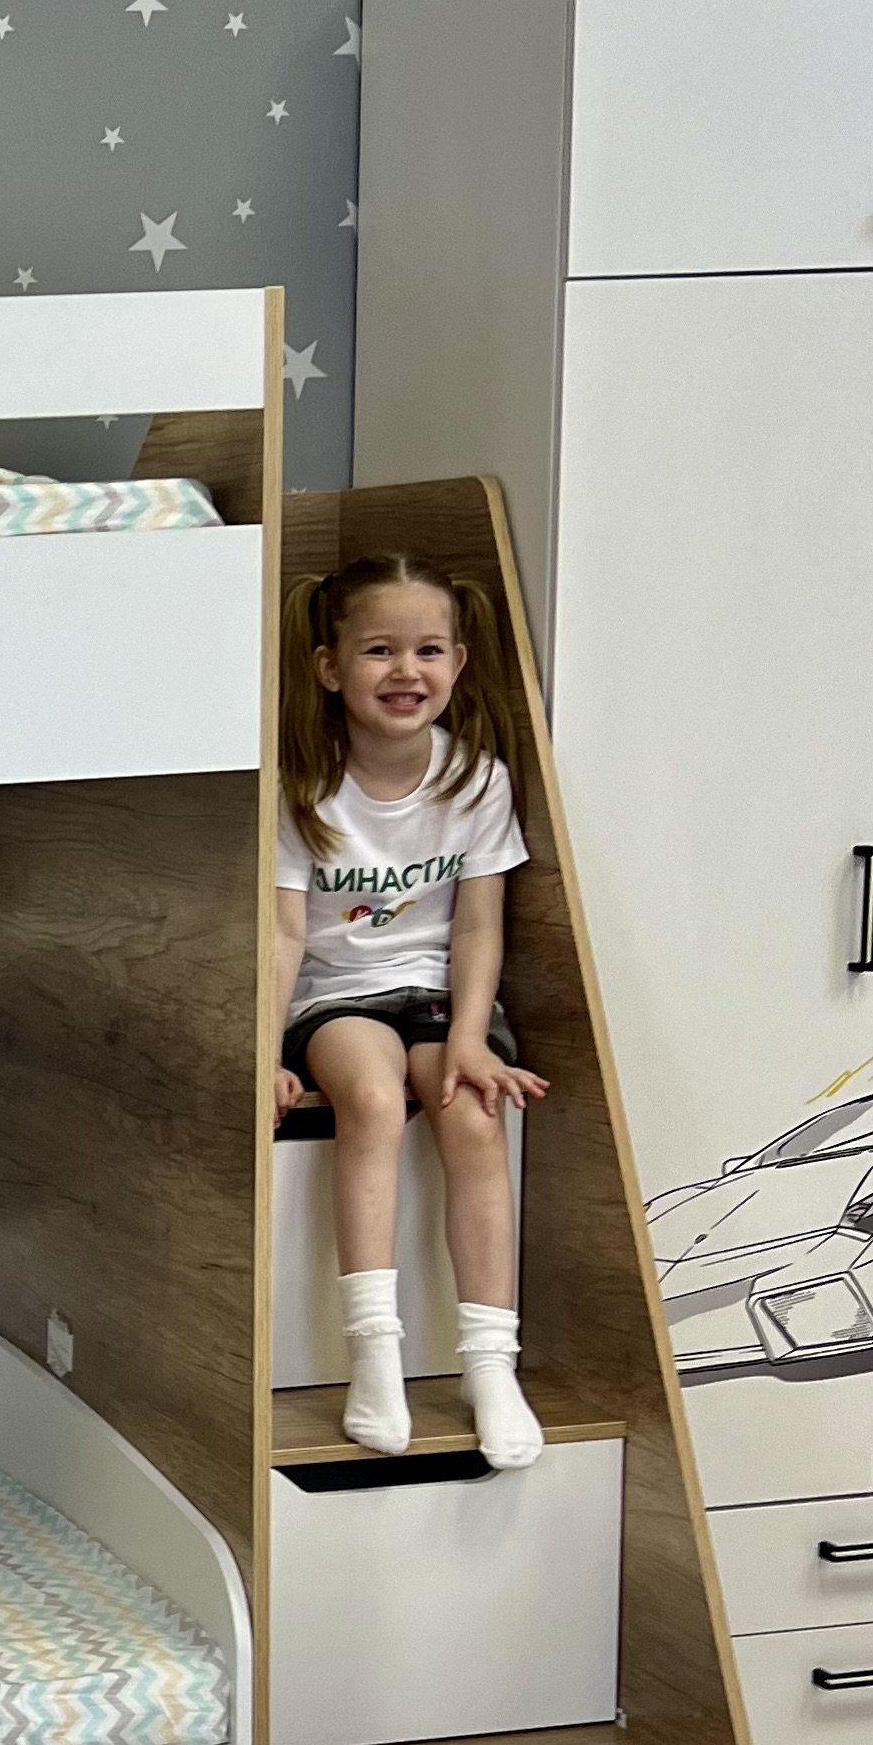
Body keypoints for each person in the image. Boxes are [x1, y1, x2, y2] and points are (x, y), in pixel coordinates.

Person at [273, 551, 551, 1468]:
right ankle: (374, 1354)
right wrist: (259, 1051)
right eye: (378, 650)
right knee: (371, 1097)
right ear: (329, 667)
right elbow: (282, 934)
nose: (406, 671)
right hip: (336, 996)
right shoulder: (300, 786)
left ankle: (488, 1365)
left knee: (471, 1115)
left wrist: (469, 1038)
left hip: (438, 993)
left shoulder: (475, 780)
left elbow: (476, 926)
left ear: (457, 664)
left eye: (428, 650)